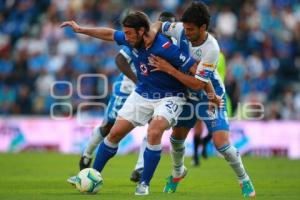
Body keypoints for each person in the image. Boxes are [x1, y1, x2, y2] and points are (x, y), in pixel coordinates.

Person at [61, 11, 220, 195]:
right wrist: (81, 29)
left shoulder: (166, 47)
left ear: (141, 31)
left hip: (170, 96)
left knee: (154, 131)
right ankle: (92, 174)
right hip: (143, 93)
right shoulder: (132, 39)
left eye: (129, 33)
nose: (126, 37)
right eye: (125, 33)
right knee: (114, 134)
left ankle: (143, 184)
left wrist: (211, 94)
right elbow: (109, 34)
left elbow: (195, 69)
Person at [149, 2, 255, 197]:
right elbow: (157, 25)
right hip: (186, 96)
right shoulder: (180, 28)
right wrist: (151, 35)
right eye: (185, 27)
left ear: (203, 28)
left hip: (210, 96)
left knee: (222, 144)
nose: (186, 32)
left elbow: (199, 84)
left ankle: (244, 180)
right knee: (176, 138)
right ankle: (177, 172)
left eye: (190, 29)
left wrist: (169, 69)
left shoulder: (211, 49)